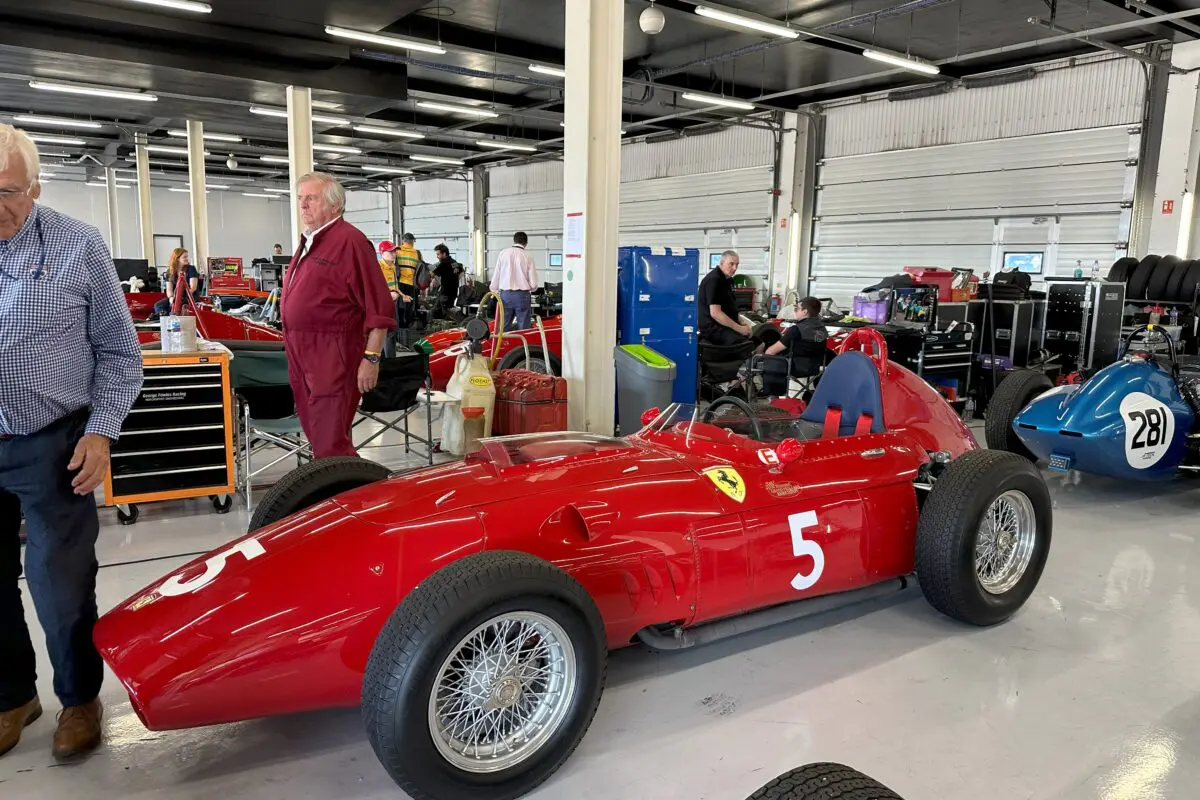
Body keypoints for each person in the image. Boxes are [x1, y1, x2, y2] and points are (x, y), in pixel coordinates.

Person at [0, 123, 142, 761]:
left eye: (5, 191)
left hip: (51, 442)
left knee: (60, 581)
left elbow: (119, 352)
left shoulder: (77, 246)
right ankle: (11, 697)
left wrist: (101, 432)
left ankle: (79, 699)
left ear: (35, 187)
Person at [281, 172, 395, 458]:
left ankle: (342, 496)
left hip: (332, 353)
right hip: (300, 350)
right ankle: (330, 489)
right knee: (317, 434)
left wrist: (371, 358)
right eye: (300, 199)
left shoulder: (350, 242)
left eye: (312, 198)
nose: (304, 205)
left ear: (335, 205)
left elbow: (378, 307)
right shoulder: (310, 240)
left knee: (331, 439)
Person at [764, 296, 828, 379]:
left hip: (795, 368)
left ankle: (766, 390)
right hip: (815, 367)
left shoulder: (796, 329)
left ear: (804, 312)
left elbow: (770, 352)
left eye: (797, 309)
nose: (795, 311)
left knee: (761, 358)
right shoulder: (822, 328)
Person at [698, 250, 751, 346]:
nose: (735, 268)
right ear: (721, 263)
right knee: (748, 346)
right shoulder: (714, 280)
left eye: (737, 265)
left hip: (725, 326)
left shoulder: (728, 280)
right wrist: (739, 328)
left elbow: (730, 307)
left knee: (758, 340)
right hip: (714, 329)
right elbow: (715, 313)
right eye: (731, 264)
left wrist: (743, 323)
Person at [491, 231, 537, 331]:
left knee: (503, 326)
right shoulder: (528, 255)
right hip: (522, 296)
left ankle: (504, 345)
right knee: (523, 327)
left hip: (505, 295)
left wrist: (494, 289)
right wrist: (532, 288)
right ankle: (522, 346)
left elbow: (496, 274)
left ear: (514, 240)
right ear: (526, 243)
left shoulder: (503, 253)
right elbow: (533, 283)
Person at [153, 247, 200, 316]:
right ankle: (162, 317)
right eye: (184, 257)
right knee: (158, 305)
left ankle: (172, 319)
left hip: (189, 297)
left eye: (187, 256)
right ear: (177, 258)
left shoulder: (191, 269)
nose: (187, 258)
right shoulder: (170, 271)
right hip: (175, 297)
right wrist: (171, 298)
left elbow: (193, 288)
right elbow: (169, 290)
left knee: (177, 304)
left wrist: (178, 299)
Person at [394, 233, 421, 328]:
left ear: (403, 241)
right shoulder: (417, 253)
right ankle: (408, 326)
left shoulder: (397, 251)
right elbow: (421, 268)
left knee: (399, 306)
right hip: (411, 284)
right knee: (410, 307)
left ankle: (400, 327)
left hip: (399, 283)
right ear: (413, 241)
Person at [432, 243, 463, 309]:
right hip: (453, 293)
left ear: (444, 254)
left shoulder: (443, 263)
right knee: (449, 310)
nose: (437, 256)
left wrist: (429, 267)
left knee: (437, 312)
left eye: (438, 254)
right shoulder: (454, 262)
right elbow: (461, 272)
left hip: (445, 293)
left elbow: (432, 274)